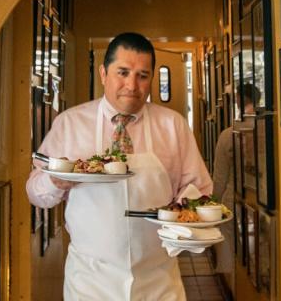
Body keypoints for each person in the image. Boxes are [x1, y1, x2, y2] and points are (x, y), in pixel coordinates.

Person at [27, 32, 213, 299]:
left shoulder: (172, 125)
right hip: (90, 280)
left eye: (143, 75)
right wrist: (56, 180)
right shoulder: (70, 123)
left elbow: (199, 188)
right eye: (122, 72)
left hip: (158, 278)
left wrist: (182, 216)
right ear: (104, 73)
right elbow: (35, 192)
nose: (132, 85)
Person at [211, 83, 260, 277]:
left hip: (234, 195)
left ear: (239, 99)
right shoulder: (267, 130)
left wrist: (214, 202)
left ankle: (231, 279)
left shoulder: (228, 135)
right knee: (260, 239)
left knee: (227, 234)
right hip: (263, 195)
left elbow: (220, 176)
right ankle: (258, 274)